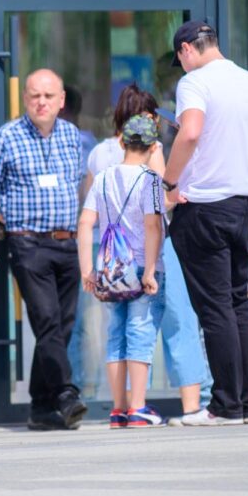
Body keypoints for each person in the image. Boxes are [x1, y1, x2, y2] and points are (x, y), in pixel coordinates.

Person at [163, 20, 248, 426]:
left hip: (206, 204)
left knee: (215, 308)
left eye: (180, 59)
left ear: (187, 50)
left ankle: (224, 405)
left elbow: (190, 133)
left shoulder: (195, 83)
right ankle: (247, 403)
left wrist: (169, 183)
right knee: (238, 302)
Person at [84, 85, 212, 426]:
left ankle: (122, 405)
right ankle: (190, 404)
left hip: (112, 256)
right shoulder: (152, 155)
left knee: (118, 330)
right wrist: (177, 198)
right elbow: (154, 210)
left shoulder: (99, 154)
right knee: (176, 323)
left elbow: (88, 207)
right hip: (150, 252)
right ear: (150, 121)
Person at [0, 68, 88, 430]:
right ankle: (66, 393)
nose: (41, 102)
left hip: (68, 242)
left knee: (63, 325)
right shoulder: (5, 138)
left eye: (48, 96)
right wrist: (10, 221)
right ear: (25, 99)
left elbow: (77, 182)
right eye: (34, 96)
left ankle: (41, 408)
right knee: (47, 320)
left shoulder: (73, 136)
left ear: (61, 100)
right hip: (27, 244)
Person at [76, 115, 165, 428]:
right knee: (140, 332)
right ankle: (139, 406)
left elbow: (85, 223)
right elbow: (153, 225)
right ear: (153, 147)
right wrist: (151, 270)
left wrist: (88, 270)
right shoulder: (151, 180)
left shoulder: (102, 177)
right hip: (141, 265)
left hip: (111, 268)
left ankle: (118, 408)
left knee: (116, 335)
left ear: (122, 143)